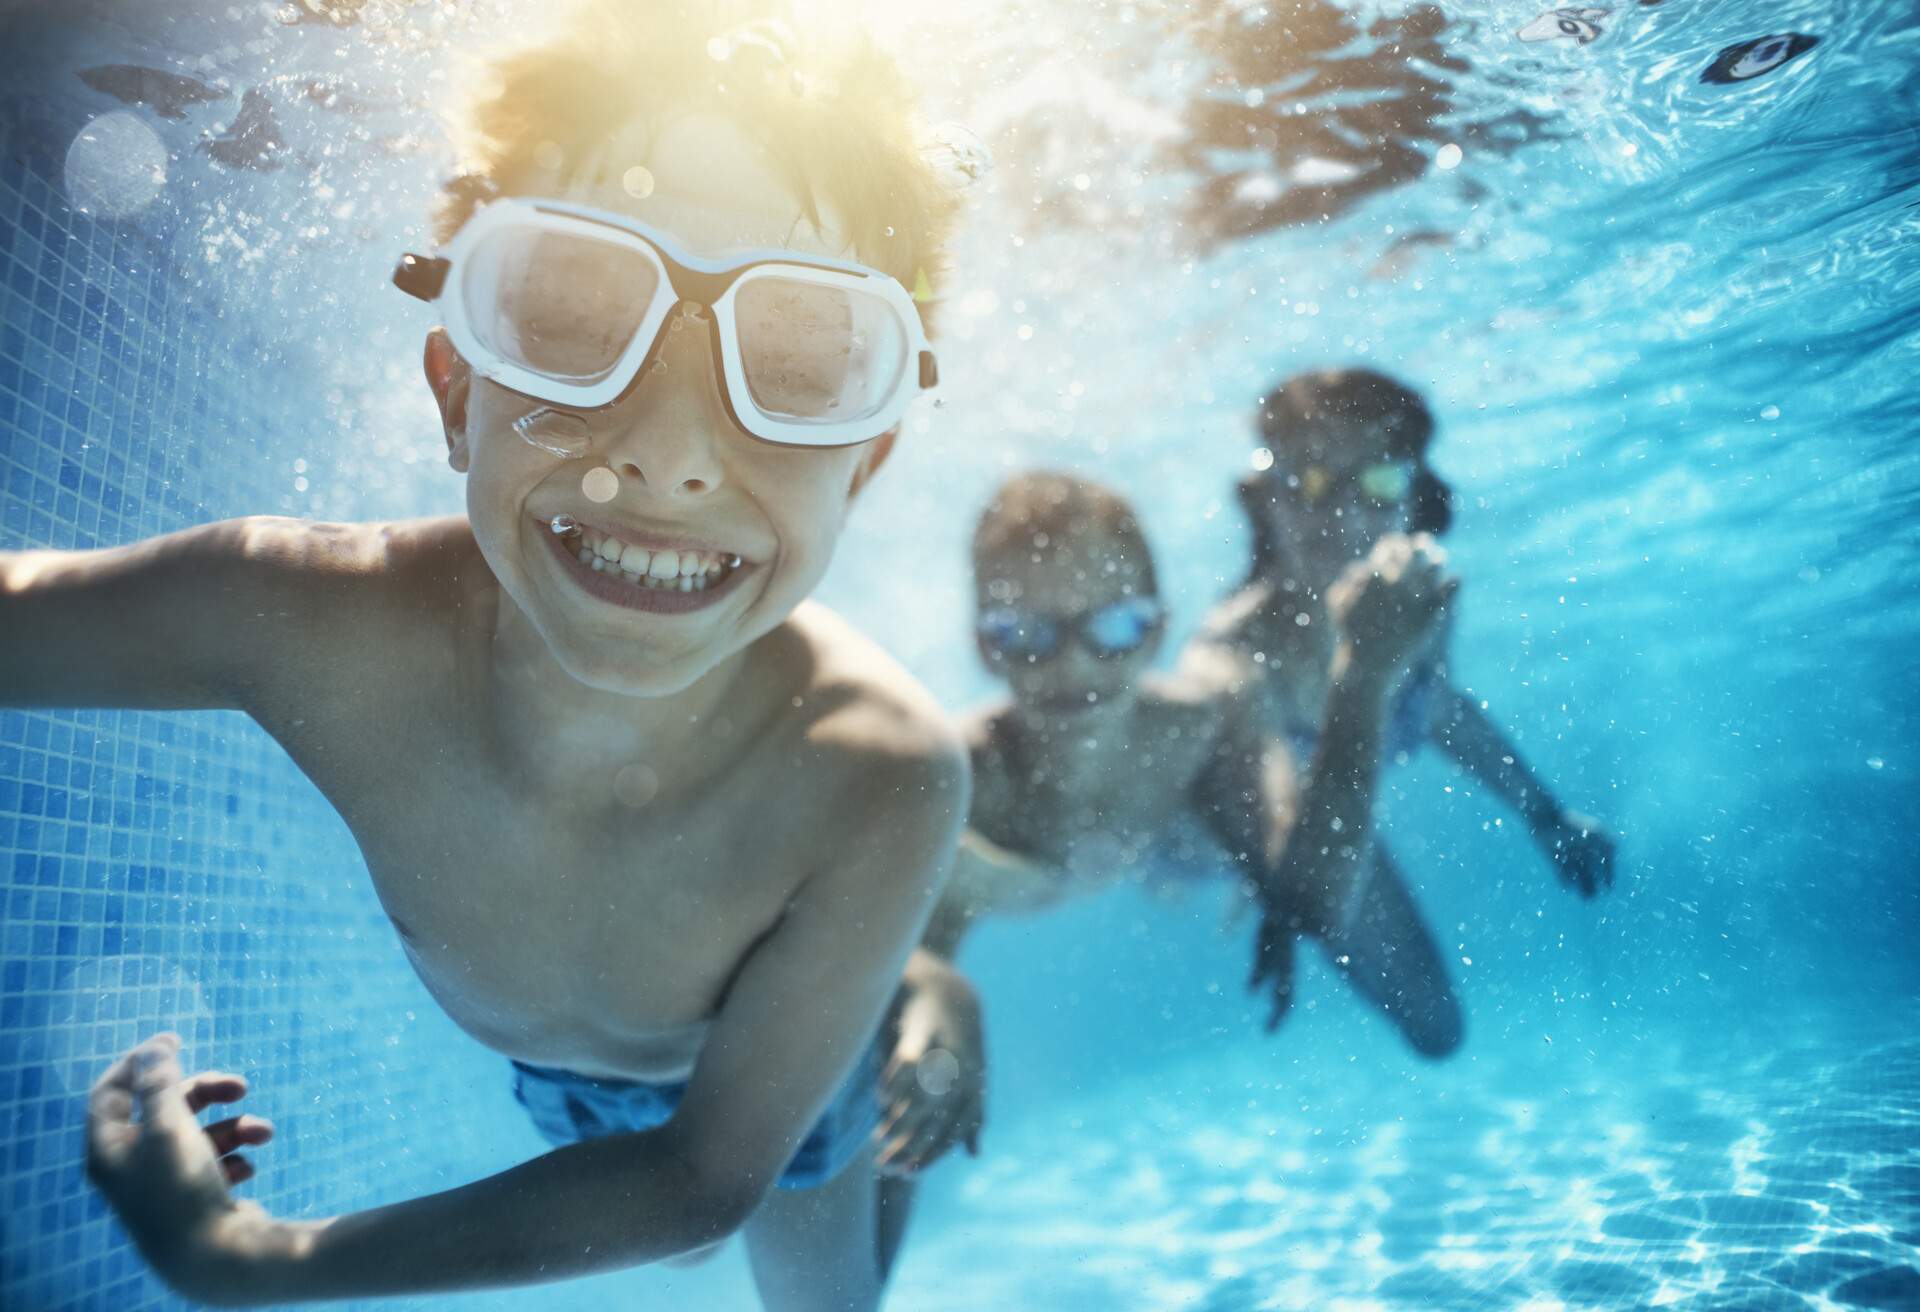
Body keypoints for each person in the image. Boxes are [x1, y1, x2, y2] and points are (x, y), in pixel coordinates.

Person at [0, 7, 970, 1307]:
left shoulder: (877, 769)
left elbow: (702, 1176)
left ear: (869, 462)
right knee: (666, 1233)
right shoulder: (308, 622)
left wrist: (248, 1258)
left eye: (801, 364)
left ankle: (908, 994)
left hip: (779, 1113)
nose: (670, 452)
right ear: (459, 388)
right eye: (570, 314)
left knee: (819, 1297)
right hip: (564, 1087)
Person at [869, 470, 1460, 1275]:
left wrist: (1362, 677)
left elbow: (1319, 901)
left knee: (1436, 1026)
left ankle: (1250, 865)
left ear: (1156, 631)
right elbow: (898, 974)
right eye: (1026, 635)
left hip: (1190, 837)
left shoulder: (1201, 722)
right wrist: (933, 1036)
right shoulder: (964, 785)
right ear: (983, 644)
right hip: (1130, 849)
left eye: (1112, 626)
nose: (1072, 668)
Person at [1191, 366, 1617, 1036]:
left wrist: (1547, 815)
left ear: (1413, 499)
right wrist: (1275, 892)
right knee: (1436, 1027)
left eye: (1379, 481)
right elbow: (1270, 830)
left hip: (1326, 823)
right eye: (1309, 479)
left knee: (1438, 1028)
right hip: (1245, 834)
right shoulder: (1236, 653)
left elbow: (1441, 711)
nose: (1343, 511)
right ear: (1265, 498)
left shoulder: (1416, 601)